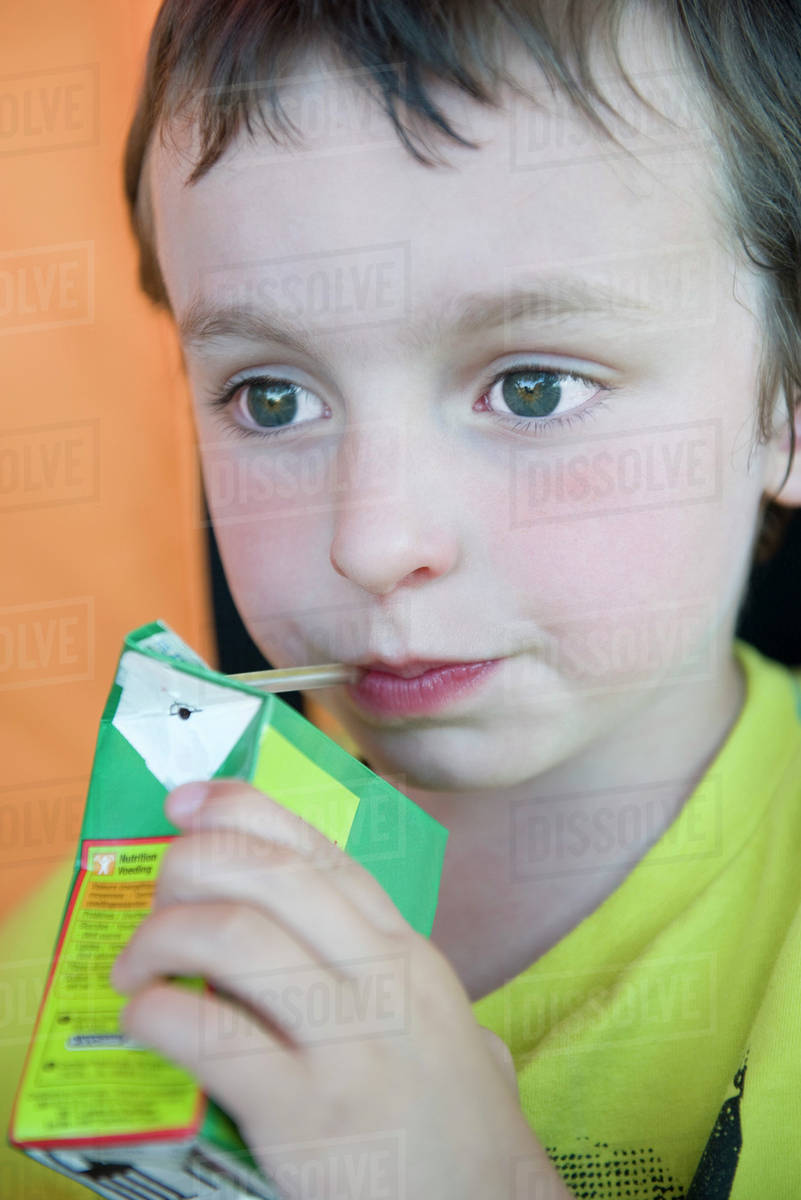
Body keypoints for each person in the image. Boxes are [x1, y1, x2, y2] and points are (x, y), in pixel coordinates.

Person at [111, 2, 801, 1196]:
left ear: (785, 400)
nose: (372, 543)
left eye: (532, 389)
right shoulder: (87, 972)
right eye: (270, 399)